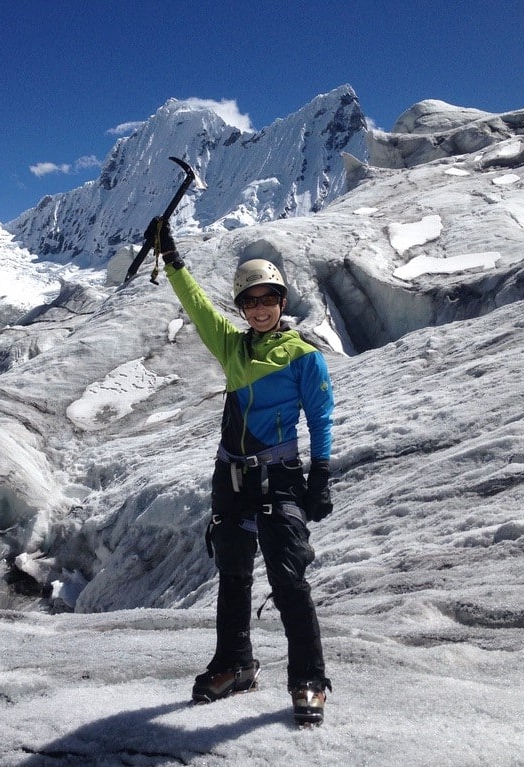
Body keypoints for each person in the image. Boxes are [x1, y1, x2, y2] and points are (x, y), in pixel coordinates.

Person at [148, 218, 335, 725]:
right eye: (251, 301)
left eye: (268, 299)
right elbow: (196, 306)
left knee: (288, 576)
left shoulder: (303, 358)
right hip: (231, 478)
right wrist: (171, 258)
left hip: (279, 477)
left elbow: (320, 418)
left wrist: (320, 476)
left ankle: (309, 680)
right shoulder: (232, 347)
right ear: (243, 306)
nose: (260, 308)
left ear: (281, 301)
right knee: (233, 574)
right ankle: (235, 664)